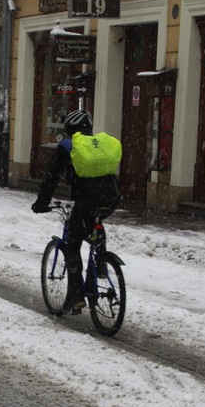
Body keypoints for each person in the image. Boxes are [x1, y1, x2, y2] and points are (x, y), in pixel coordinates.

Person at [31, 109, 122, 314]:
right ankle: (101, 265)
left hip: (87, 198)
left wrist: (41, 202)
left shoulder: (68, 146)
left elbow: (51, 177)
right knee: (94, 224)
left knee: (72, 241)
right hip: (112, 196)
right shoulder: (98, 146)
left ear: (69, 131)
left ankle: (76, 295)